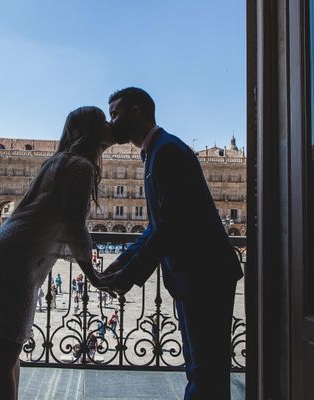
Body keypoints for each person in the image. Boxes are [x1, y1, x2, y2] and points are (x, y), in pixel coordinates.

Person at [101, 87, 243, 400]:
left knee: (204, 373)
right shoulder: (159, 150)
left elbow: (170, 225)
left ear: (136, 112)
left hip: (204, 276)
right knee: (201, 368)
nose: (112, 122)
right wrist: (124, 261)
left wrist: (128, 274)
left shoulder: (166, 152)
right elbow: (159, 224)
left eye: (115, 114)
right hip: (198, 276)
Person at [0, 106, 115, 400]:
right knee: (2, 359)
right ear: (93, 131)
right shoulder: (81, 167)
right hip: (15, 259)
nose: (111, 126)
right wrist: (94, 276)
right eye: (105, 123)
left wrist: (116, 134)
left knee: (7, 354)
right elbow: (74, 226)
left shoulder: (58, 160)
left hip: (4, 250)